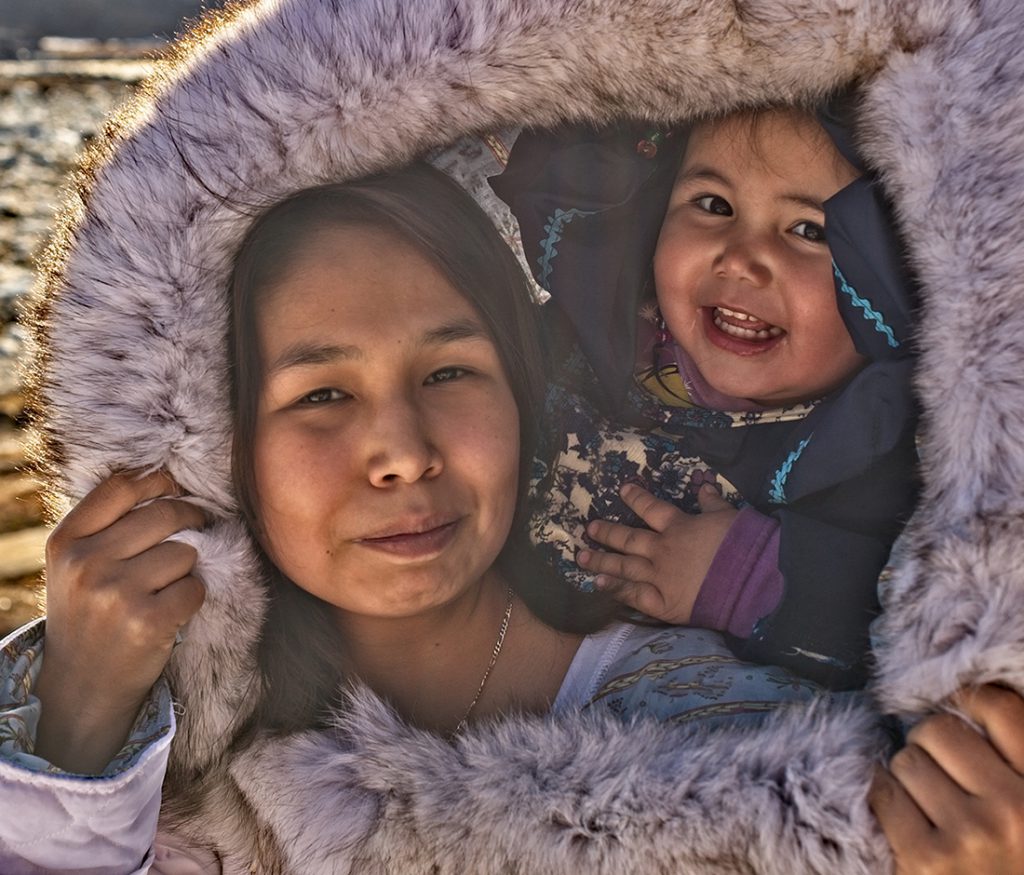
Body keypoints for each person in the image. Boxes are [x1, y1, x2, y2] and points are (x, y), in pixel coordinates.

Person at [0, 163, 833, 872]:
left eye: (448, 373)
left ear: (524, 399)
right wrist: (75, 725)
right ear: (219, 447)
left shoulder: (729, 736)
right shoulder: (163, 787)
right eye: (322, 393)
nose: (401, 452)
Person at [499, 105, 919, 689]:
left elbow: (926, 634)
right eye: (714, 206)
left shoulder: (886, 452)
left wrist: (750, 580)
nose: (742, 259)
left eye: (810, 230)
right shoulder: (578, 336)